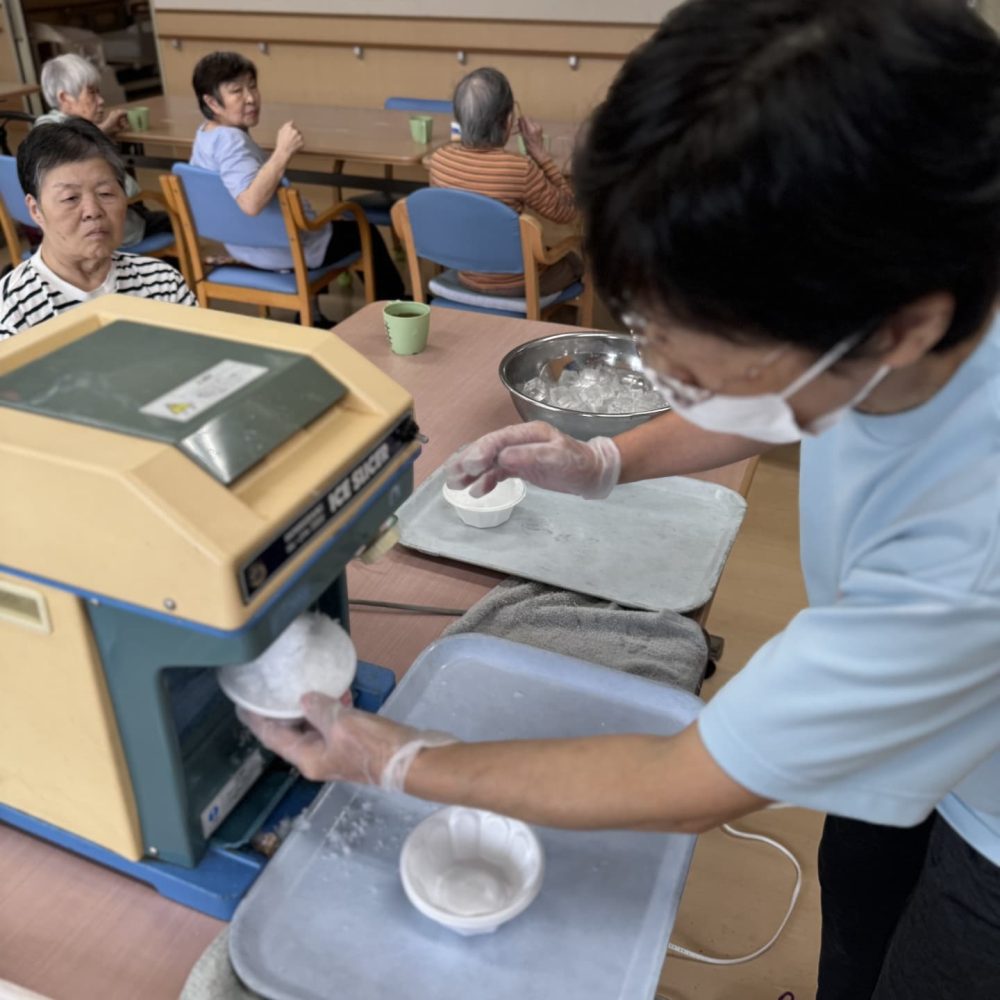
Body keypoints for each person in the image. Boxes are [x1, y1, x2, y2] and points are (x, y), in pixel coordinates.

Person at [240, 2, 1000, 996]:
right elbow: (775, 396)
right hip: (933, 701)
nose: (660, 363)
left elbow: (683, 783)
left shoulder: (965, 541)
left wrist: (387, 757)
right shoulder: (899, 289)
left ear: (898, 327)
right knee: (860, 878)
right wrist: (600, 461)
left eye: (692, 350)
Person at [188, 51, 405, 320]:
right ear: (211, 101)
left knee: (319, 225)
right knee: (362, 230)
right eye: (236, 91)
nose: (251, 98)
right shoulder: (232, 142)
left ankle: (312, 317)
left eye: (252, 86)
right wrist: (283, 152)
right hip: (280, 251)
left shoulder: (205, 135)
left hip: (241, 246)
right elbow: (251, 202)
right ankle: (399, 311)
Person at [0, 119, 195, 340]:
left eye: (106, 194)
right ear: (36, 210)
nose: (93, 211)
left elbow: (202, 360)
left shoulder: (162, 282)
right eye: (70, 198)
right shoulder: (13, 311)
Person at [428, 67, 581, 298]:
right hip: (517, 285)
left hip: (464, 276)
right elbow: (568, 211)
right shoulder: (518, 169)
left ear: (458, 118)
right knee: (574, 261)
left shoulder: (439, 161)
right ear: (508, 121)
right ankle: (552, 328)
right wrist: (540, 153)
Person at [36, 53, 172, 249]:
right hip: (108, 231)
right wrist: (99, 138)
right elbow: (131, 191)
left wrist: (102, 130)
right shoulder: (85, 148)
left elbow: (71, 140)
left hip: (62, 234)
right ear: (65, 97)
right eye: (91, 93)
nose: (101, 101)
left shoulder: (43, 130)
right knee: (176, 219)